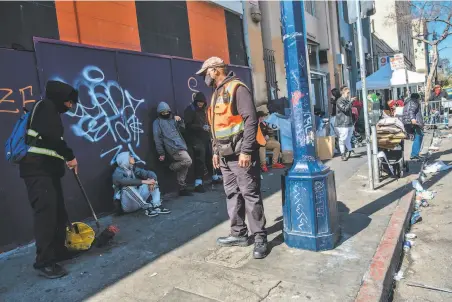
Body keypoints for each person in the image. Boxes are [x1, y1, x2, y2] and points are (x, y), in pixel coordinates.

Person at [196, 56, 268, 259]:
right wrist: (216, 152)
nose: (204, 78)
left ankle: (260, 237)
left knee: (250, 194)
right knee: (232, 194)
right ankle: (238, 233)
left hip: (240, 154)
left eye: (205, 73)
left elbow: (251, 119)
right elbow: (216, 127)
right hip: (226, 155)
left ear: (214, 70)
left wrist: (246, 150)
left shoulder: (237, 88)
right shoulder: (216, 93)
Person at [19, 80, 79, 279]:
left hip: (48, 172)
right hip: (37, 172)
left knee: (58, 212)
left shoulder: (51, 113)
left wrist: (66, 159)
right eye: (70, 103)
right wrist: (70, 157)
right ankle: (44, 261)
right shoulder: (46, 108)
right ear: (62, 99)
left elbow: (54, 141)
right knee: (45, 215)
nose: (71, 107)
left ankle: (58, 251)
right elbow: (53, 139)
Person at [112, 151, 170, 217]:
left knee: (153, 181)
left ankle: (157, 206)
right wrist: (145, 181)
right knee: (126, 188)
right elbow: (127, 181)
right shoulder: (117, 173)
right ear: (124, 160)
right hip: (127, 206)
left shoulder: (133, 168)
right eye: (130, 156)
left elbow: (148, 173)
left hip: (138, 203)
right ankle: (147, 208)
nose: (132, 157)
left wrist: (152, 180)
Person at [153, 102, 193, 196]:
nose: (165, 114)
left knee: (185, 165)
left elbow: (183, 129)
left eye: (167, 112)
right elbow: (157, 138)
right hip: (172, 147)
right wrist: (161, 153)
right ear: (159, 113)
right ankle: (171, 167)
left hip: (181, 145)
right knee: (188, 161)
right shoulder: (157, 122)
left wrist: (180, 121)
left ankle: (182, 187)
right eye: (163, 112)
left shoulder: (172, 120)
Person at [184, 91, 221, 192]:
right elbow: (188, 125)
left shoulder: (203, 110)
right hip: (195, 138)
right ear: (195, 101)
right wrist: (201, 127)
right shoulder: (190, 110)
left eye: (202, 102)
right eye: (199, 102)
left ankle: (214, 177)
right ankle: (198, 183)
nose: (200, 104)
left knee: (209, 157)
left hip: (204, 137)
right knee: (199, 159)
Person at [402, 93, 424, 160]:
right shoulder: (414, 102)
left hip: (407, 122)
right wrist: (413, 119)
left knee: (417, 136)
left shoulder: (408, 102)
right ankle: (414, 154)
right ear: (417, 98)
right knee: (419, 135)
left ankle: (415, 153)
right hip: (413, 122)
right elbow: (411, 111)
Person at [335, 86, 354, 161]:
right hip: (343, 123)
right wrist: (350, 102)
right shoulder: (340, 100)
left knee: (348, 138)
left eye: (349, 92)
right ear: (343, 92)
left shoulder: (346, 100)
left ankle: (349, 150)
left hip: (348, 122)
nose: (349, 94)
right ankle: (343, 154)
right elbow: (345, 109)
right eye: (348, 93)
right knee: (342, 139)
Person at [330, 88, 341, 153]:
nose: (332, 94)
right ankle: (338, 146)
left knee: (334, 132)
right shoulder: (338, 98)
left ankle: (338, 147)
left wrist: (333, 101)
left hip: (336, 116)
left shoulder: (338, 99)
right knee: (336, 132)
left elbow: (336, 103)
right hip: (335, 115)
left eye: (332, 93)